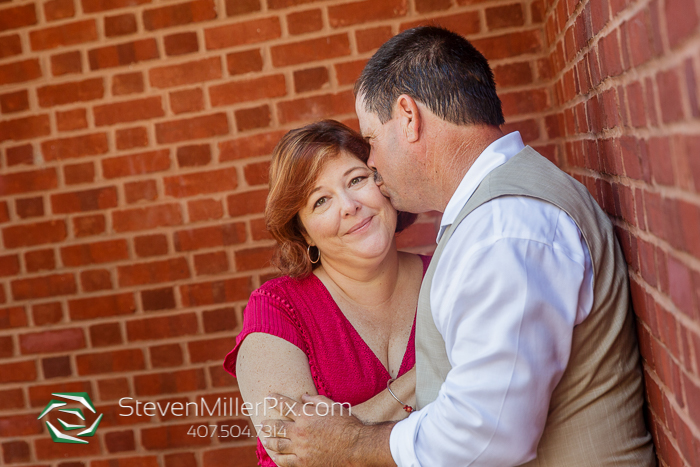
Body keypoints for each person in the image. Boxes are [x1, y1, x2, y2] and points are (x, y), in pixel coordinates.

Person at [261, 26, 656, 466]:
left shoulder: (504, 227)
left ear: (409, 117)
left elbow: (486, 437)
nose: (371, 164)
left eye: (371, 140)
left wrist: (353, 444)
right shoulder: (495, 216)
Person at [223, 120, 430, 466]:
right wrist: (433, 371)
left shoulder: (449, 273)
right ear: (303, 234)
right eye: (321, 201)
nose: (349, 205)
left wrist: (339, 438)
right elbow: (294, 453)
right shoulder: (277, 310)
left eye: (357, 180)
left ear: (383, 180)